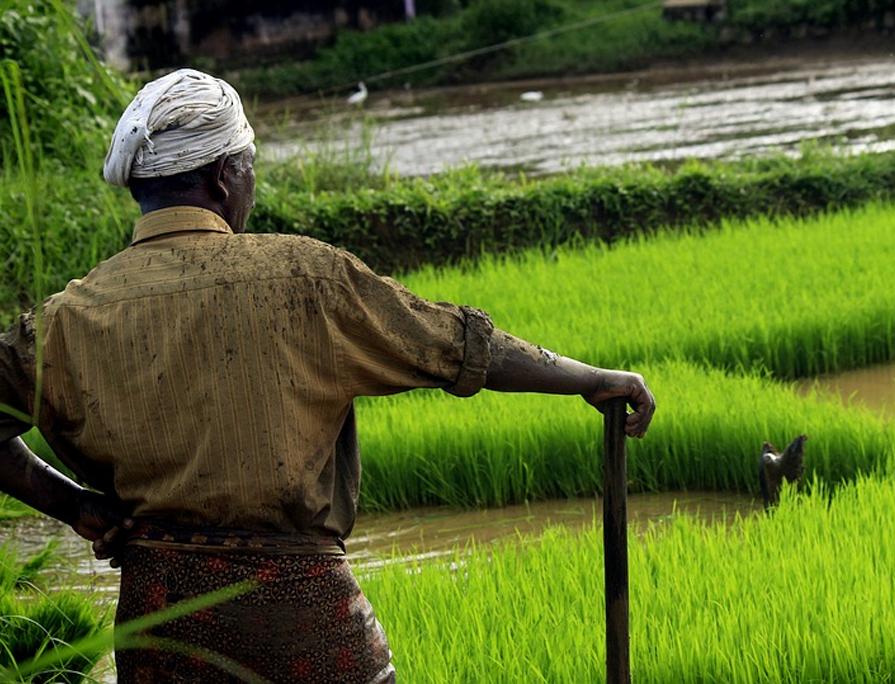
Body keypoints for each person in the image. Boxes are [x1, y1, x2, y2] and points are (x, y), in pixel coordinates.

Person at [0, 69, 655, 683]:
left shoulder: (68, 318)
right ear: (225, 176)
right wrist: (590, 378)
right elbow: (456, 344)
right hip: (299, 617)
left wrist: (75, 506)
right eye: (249, 165)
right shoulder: (304, 276)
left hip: (159, 626)